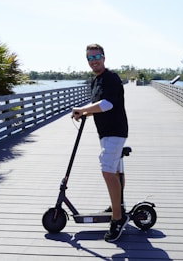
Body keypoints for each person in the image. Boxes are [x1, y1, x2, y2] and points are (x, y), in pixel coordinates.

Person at [72, 43, 129, 242]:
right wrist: (84, 112)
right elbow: (97, 104)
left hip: (115, 130)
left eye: (96, 56)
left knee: (106, 170)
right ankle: (118, 206)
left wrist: (82, 109)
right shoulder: (94, 81)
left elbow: (107, 104)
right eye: (90, 58)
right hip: (105, 132)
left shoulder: (111, 78)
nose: (94, 61)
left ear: (104, 57)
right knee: (113, 170)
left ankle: (118, 219)